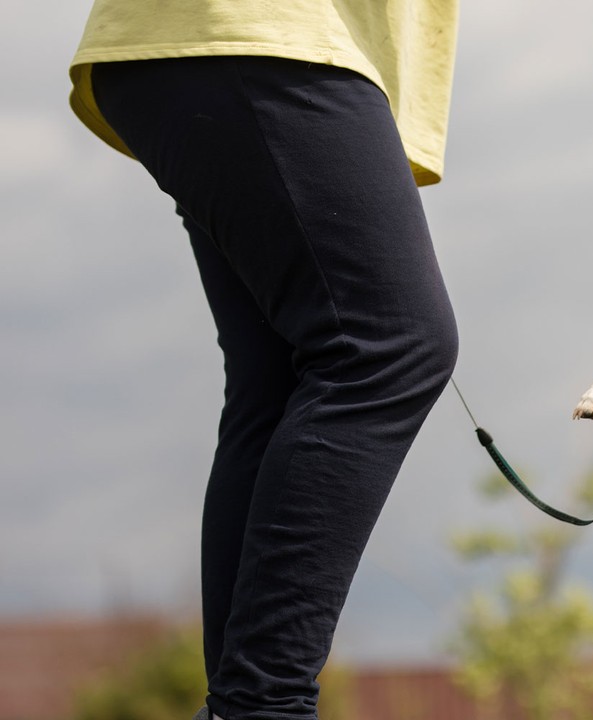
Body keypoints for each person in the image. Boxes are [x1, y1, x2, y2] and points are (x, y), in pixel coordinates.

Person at [68, 3, 460, 719]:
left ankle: (244, 705)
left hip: (212, 46)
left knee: (278, 379)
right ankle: (261, 706)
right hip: (261, 34)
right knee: (391, 349)